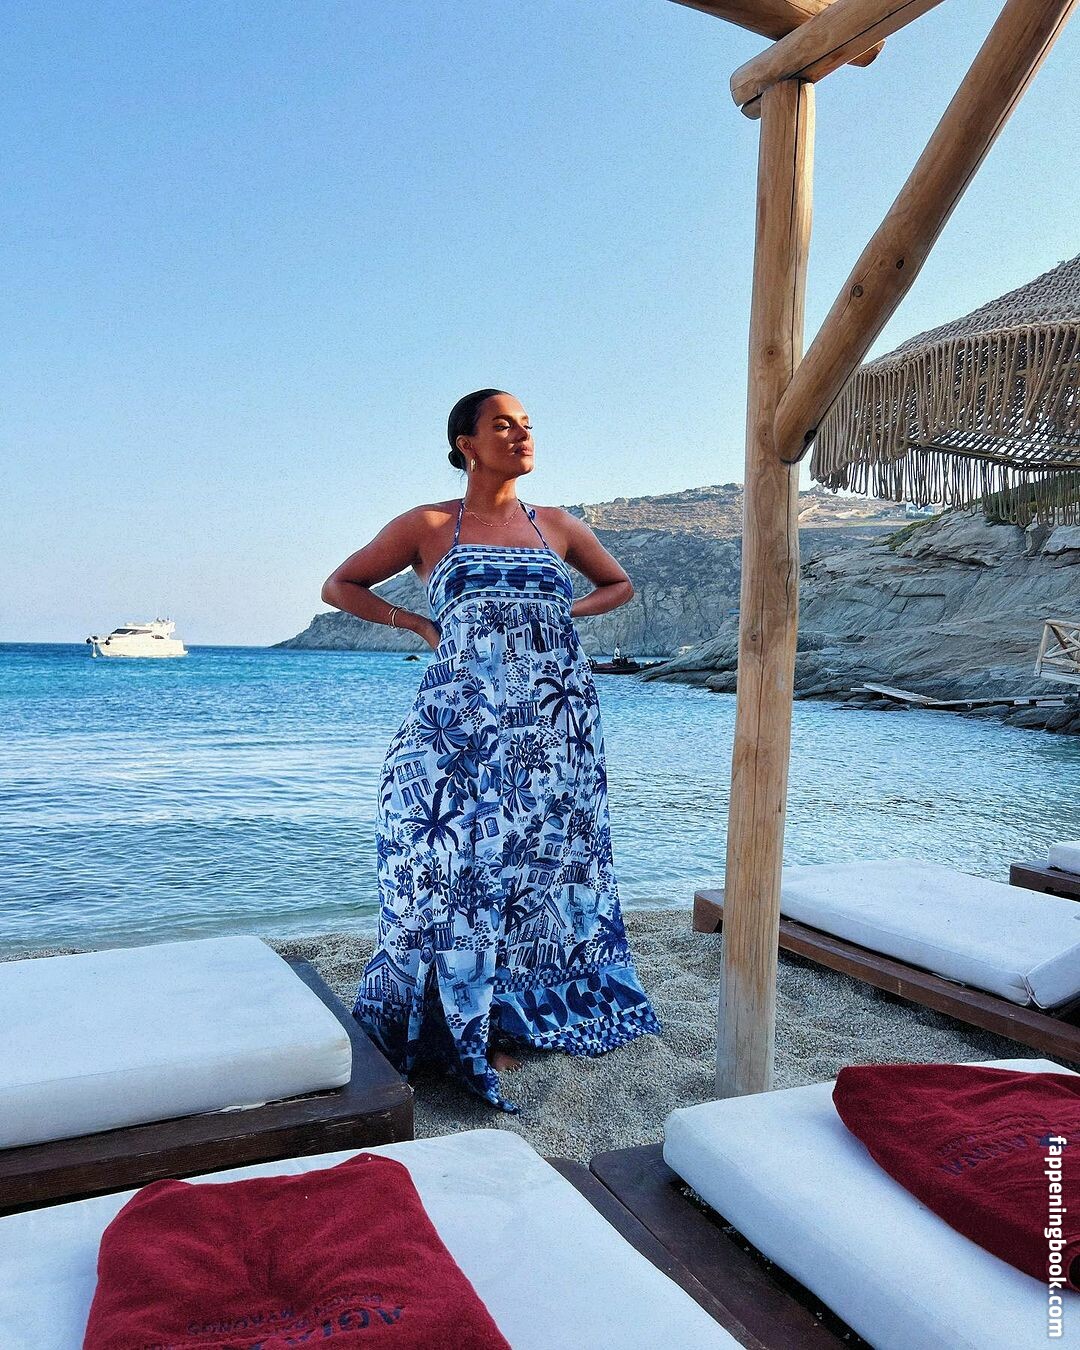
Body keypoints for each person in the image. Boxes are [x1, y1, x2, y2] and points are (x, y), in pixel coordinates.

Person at [322, 390, 660, 1110]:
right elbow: (339, 585)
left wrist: (563, 610)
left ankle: (507, 1017)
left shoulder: (557, 525)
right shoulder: (428, 525)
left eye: (528, 425)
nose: (521, 435)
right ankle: (452, 1017)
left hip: (555, 728)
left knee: (539, 872)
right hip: (457, 729)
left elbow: (619, 584)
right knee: (449, 865)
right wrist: (418, 625)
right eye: (503, 425)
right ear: (466, 443)